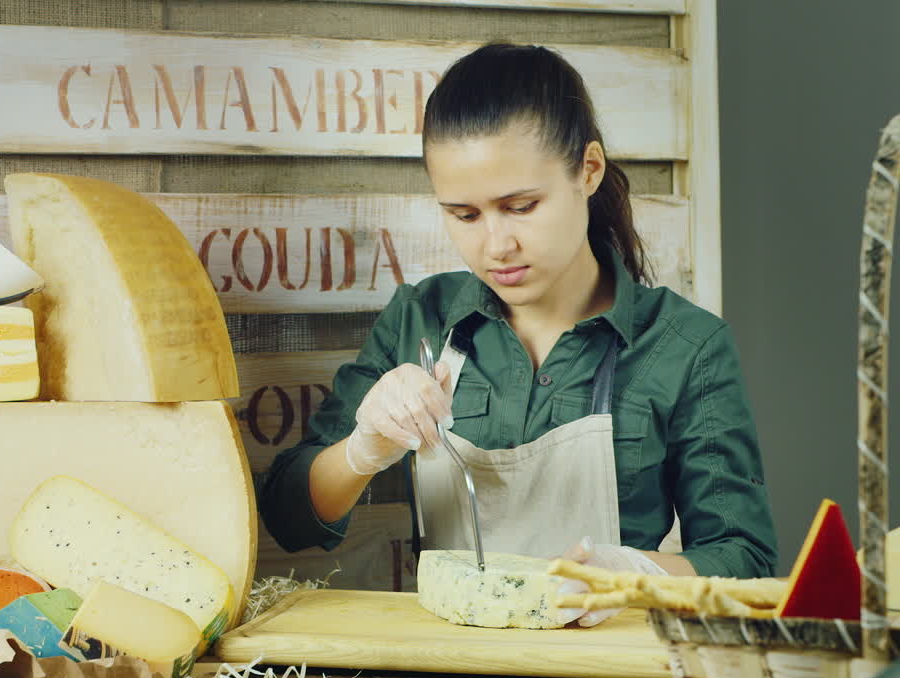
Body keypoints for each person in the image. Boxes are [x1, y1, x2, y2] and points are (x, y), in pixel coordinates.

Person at [258, 42, 777, 626]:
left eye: (521, 206)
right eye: (465, 215)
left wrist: (635, 574)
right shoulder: (421, 319)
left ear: (589, 170)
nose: (496, 246)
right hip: (446, 674)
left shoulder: (686, 346)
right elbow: (289, 518)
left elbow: (747, 561)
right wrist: (362, 448)